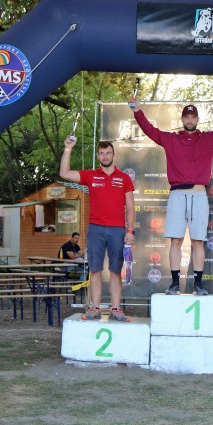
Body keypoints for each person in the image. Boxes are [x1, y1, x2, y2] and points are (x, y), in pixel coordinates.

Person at [129, 96, 213, 295]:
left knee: (197, 242)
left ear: (197, 119)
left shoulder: (208, 138)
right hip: (177, 195)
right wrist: (137, 111)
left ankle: (198, 284)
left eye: (193, 117)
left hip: (199, 195)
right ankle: (174, 284)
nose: (189, 120)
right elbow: (150, 130)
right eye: (186, 117)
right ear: (182, 119)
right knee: (176, 241)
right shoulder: (171, 139)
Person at [59, 137, 135, 321]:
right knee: (95, 269)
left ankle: (116, 308)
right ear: (98, 156)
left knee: (115, 270)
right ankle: (95, 307)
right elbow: (64, 173)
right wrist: (68, 149)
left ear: (114, 154)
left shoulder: (124, 178)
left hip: (117, 230)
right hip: (96, 229)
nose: (105, 156)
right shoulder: (91, 175)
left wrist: (130, 231)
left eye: (108, 153)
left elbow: (131, 207)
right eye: (101, 153)